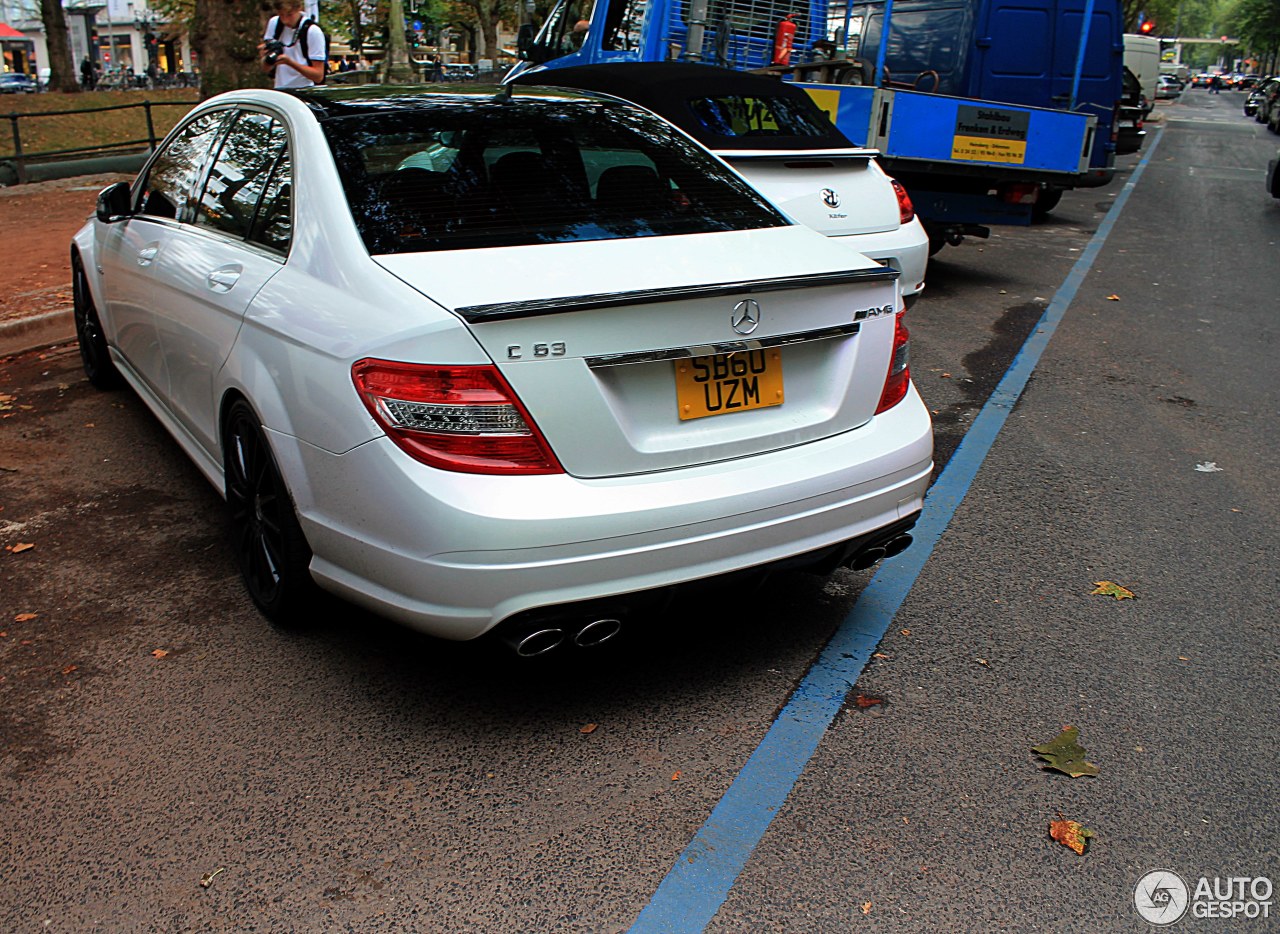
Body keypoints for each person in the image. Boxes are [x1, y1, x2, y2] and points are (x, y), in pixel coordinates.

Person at [259, 0, 327, 89]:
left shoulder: (312, 31)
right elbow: (265, 69)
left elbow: (318, 76)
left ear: (299, 8)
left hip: (305, 89)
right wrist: (265, 56)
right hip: (280, 88)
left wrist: (290, 63)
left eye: (289, 15)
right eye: (281, 15)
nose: (285, 20)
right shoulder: (275, 23)